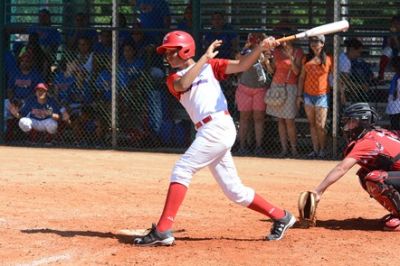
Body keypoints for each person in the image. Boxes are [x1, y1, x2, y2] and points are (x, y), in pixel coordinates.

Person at [133, 30, 296, 247]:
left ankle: (163, 230)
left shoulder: (211, 66)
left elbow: (242, 66)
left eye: (171, 52)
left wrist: (260, 48)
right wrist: (205, 58)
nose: (167, 57)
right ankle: (282, 216)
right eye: (166, 53)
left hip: (218, 126)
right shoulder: (174, 78)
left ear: (185, 50)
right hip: (208, 131)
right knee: (234, 191)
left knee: (182, 169)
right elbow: (183, 85)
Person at [312, 102, 400, 231]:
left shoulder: (368, 142)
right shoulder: (377, 133)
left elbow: (341, 168)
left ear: (362, 122)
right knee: (364, 173)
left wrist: (318, 191)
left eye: (351, 122)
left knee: (375, 178)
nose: (347, 126)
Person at [266, 36, 303, 157]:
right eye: (282, 40)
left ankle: (294, 149)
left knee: (289, 120)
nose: (284, 42)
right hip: (277, 86)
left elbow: (297, 72)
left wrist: (290, 57)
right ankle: (284, 149)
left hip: (290, 86)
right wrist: (267, 62)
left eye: (286, 39)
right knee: (280, 120)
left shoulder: (298, 52)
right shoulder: (276, 52)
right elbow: (272, 70)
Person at [297, 35, 333, 159]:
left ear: (322, 44)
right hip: (308, 95)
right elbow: (302, 77)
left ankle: (323, 149)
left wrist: (340, 91)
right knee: (312, 124)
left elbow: (333, 77)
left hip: (322, 95)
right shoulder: (306, 59)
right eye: (312, 41)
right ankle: (315, 150)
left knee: (320, 125)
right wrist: (299, 95)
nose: (314, 43)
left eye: (317, 41)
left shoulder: (328, 59)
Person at [234, 33, 269, 156]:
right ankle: (242, 146)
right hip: (245, 88)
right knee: (244, 118)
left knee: (259, 119)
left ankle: (258, 146)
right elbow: (237, 59)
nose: (255, 42)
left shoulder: (266, 52)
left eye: (257, 40)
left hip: (259, 89)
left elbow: (270, 69)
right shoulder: (246, 51)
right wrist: (246, 47)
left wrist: (264, 55)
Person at [339, 38, 373, 104]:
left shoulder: (343, 57)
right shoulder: (345, 61)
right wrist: (362, 87)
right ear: (352, 49)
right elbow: (345, 82)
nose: (359, 55)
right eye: (358, 52)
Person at [378, 15, 400, 82]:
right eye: (393, 24)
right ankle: (381, 76)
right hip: (392, 54)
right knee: (387, 50)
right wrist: (391, 36)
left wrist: (395, 38)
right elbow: (386, 46)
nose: (395, 26)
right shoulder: (388, 33)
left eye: (397, 24)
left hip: (398, 54)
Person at [385, 56, 400, 130]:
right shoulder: (396, 76)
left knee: (395, 128)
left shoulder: (397, 77)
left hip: (395, 106)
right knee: (396, 128)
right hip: (395, 106)